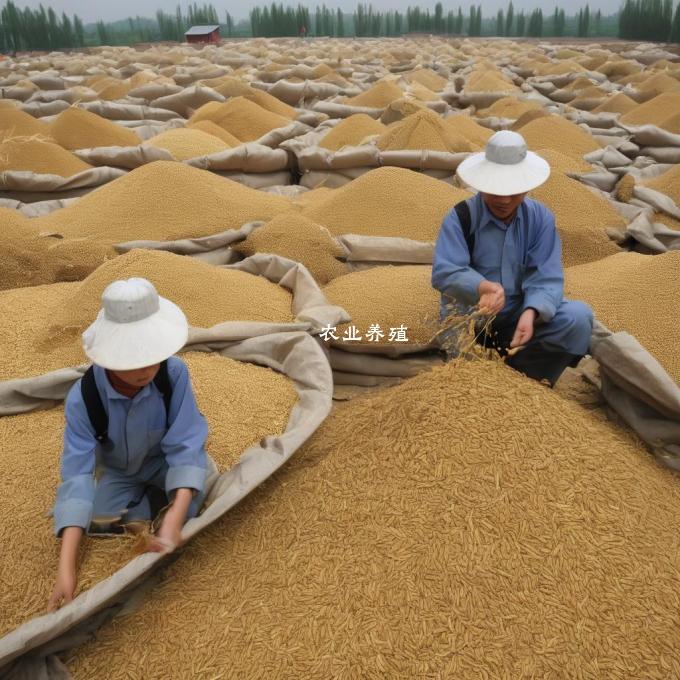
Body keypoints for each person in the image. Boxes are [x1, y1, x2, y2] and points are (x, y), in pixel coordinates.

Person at [49, 277, 212, 611]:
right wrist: (66, 569)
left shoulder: (173, 374)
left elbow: (185, 441)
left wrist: (176, 516)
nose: (146, 370)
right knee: (94, 518)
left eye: (152, 355)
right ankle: (148, 504)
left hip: (161, 461)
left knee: (202, 481)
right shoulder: (84, 398)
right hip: (118, 470)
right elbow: (77, 476)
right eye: (132, 358)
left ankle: (163, 503)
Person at [431, 129, 593, 386]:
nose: (504, 200)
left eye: (513, 191)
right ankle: (473, 376)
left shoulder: (540, 219)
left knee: (578, 317)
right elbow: (445, 271)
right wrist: (482, 287)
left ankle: (525, 378)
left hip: (518, 316)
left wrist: (531, 313)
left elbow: (546, 277)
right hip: (472, 316)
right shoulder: (461, 218)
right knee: (464, 372)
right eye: (496, 190)